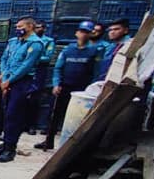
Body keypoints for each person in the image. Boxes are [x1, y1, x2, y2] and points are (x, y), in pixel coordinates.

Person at [35, 21, 103, 150]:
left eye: (87, 32)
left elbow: (96, 72)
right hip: (65, 87)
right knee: (54, 115)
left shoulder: (95, 51)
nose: (83, 35)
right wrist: (56, 84)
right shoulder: (68, 50)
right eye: (82, 31)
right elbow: (58, 68)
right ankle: (48, 141)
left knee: (77, 117)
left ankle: (71, 146)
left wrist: (91, 90)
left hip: (82, 90)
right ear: (77, 33)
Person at [0, 17, 45, 163]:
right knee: (5, 113)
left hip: (22, 82)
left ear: (30, 27)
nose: (17, 28)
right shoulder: (14, 42)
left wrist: (10, 80)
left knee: (14, 115)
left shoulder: (35, 44)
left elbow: (26, 66)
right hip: (7, 80)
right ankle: (5, 144)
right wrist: (4, 76)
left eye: (20, 26)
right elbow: (4, 59)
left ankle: (10, 149)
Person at [27, 21, 56, 134]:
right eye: (36, 27)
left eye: (40, 27)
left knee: (35, 99)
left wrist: (32, 58)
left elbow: (47, 58)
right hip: (27, 71)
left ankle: (32, 125)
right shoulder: (27, 40)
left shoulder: (48, 41)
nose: (38, 29)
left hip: (39, 72)